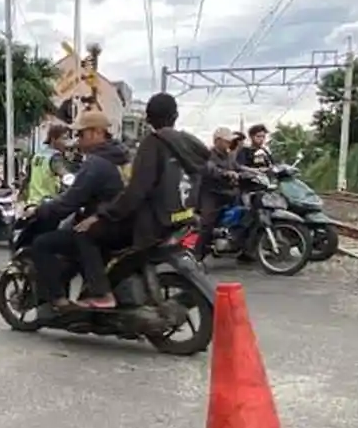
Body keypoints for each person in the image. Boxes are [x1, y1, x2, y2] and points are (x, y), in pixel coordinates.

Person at [77, 93, 210, 252]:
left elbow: (136, 191)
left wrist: (102, 215)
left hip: (155, 228)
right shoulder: (191, 145)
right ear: (176, 116)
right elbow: (210, 172)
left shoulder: (153, 143)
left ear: (148, 119)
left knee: (85, 235)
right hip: (185, 219)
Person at [28, 111, 128, 312]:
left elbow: (71, 200)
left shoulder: (96, 163)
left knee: (43, 244)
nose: (76, 140)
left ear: (97, 132)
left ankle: (67, 300)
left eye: (81, 134)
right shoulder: (120, 156)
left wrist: (40, 210)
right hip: (122, 221)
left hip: (107, 223)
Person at [192, 127, 241, 262]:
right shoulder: (208, 154)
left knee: (244, 213)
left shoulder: (229, 155)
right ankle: (197, 255)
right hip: (211, 193)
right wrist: (225, 173)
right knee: (207, 224)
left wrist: (255, 172)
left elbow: (238, 167)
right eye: (226, 141)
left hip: (228, 192)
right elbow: (210, 169)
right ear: (217, 141)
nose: (229, 143)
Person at [25, 124, 72, 205]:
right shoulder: (55, 157)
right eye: (64, 138)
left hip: (33, 202)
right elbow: (66, 176)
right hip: (47, 203)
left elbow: (28, 178)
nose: (67, 143)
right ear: (53, 139)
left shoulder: (37, 154)